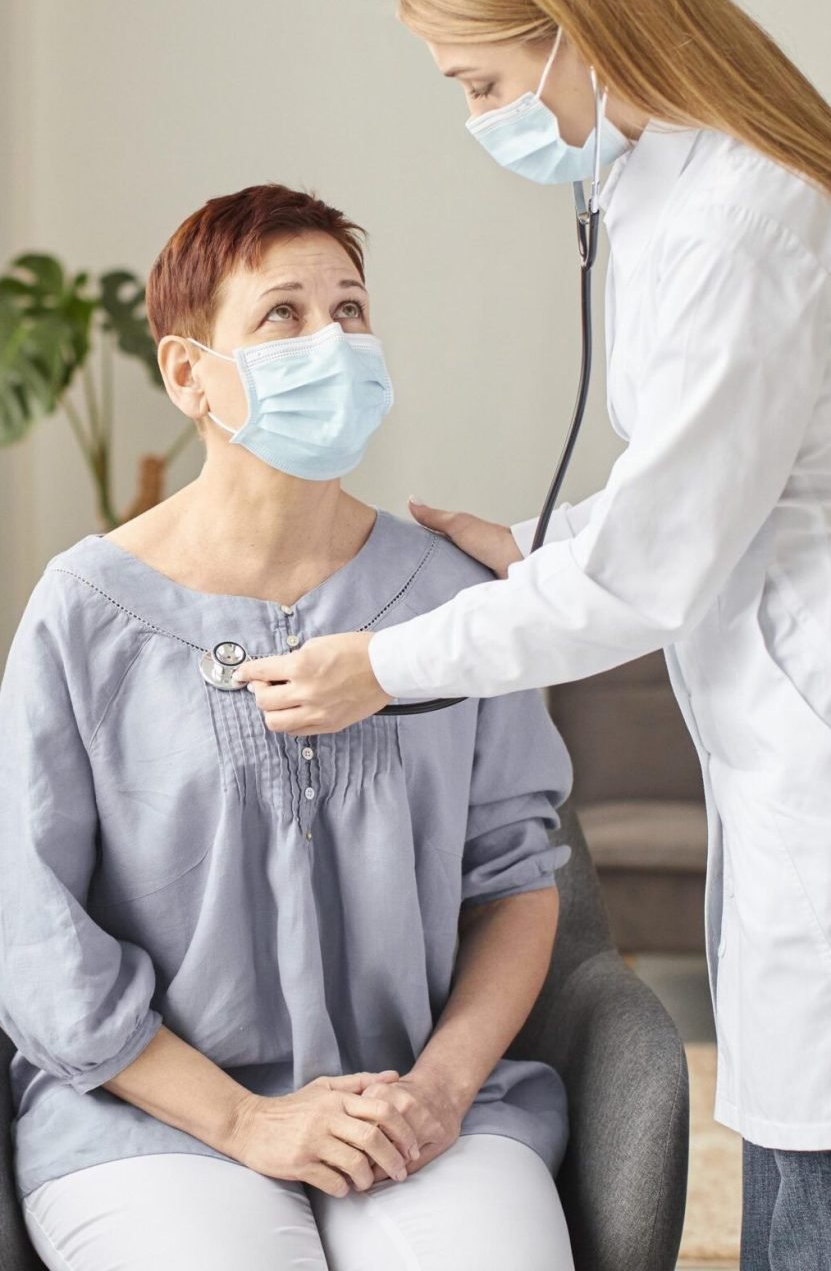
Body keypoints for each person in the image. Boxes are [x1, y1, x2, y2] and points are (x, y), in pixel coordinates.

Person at [235, 0, 831, 1269]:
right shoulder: (662, 184)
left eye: (482, 83)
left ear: (576, 25)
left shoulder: (743, 227)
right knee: (815, 1164)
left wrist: (379, 667)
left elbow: (651, 574)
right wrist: (537, 548)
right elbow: (705, 491)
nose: (480, 120)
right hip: (805, 730)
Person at [0, 184, 576, 1271]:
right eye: (284, 313)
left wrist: (439, 1089)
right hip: (151, 1117)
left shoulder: (453, 600)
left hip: (418, 1106)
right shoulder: (85, 611)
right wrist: (243, 1119)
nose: (334, 340)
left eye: (350, 308)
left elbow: (515, 879)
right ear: (188, 374)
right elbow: (32, 931)